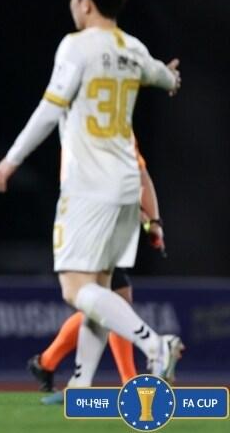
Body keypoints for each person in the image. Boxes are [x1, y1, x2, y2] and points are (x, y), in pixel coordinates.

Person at [0, 0, 183, 391]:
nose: (72, 4)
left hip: (88, 187)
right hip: (126, 185)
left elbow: (49, 109)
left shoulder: (76, 46)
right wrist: (170, 78)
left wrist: (12, 158)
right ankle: (81, 387)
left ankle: (155, 345)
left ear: (88, 4)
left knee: (76, 290)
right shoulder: (132, 47)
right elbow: (162, 76)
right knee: (99, 288)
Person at [29, 144, 166, 400]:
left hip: (102, 221)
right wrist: (151, 220)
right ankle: (130, 377)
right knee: (112, 302)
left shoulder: (108, 123)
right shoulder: (98, 125)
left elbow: (133, 177)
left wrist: (150, 221)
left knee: (110, 304)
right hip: (90, 222)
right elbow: (131, 178)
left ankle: (50, 365)